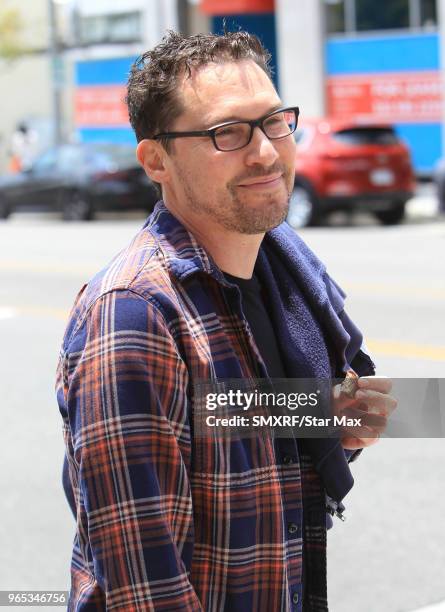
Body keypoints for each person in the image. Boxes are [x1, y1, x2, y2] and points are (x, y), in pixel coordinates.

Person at [56, 31, 396, 611]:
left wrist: (328, 427)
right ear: (156, 160)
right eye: (227, 132)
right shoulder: (135, 315)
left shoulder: (276, 279)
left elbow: (231, 438)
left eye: (274, 121)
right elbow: (145, 589)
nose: (265, 151)